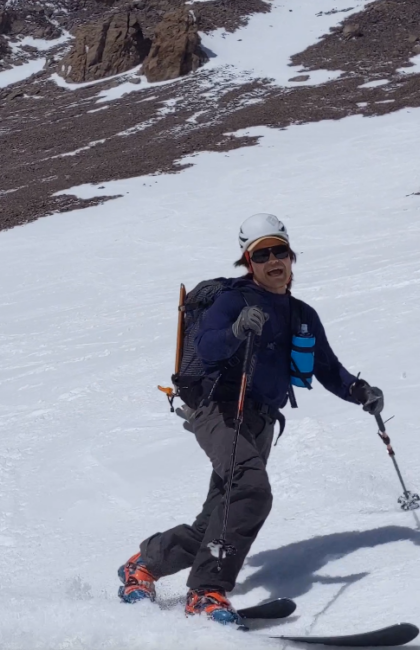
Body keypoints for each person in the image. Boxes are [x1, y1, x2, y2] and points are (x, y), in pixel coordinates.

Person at [117, 213, 384, 624]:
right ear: (248, 261)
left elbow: (327, 368)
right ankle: (206, 591)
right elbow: (207, 348)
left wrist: (359, 392)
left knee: (220, 514)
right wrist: (236, 331)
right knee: (251, 489)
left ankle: (145, 564)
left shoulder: (302, 314)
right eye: (263, 254)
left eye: (280, 251)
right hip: (219, 410)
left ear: (291, 257)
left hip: (260, 421)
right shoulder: (234, 300)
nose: (273, 259)